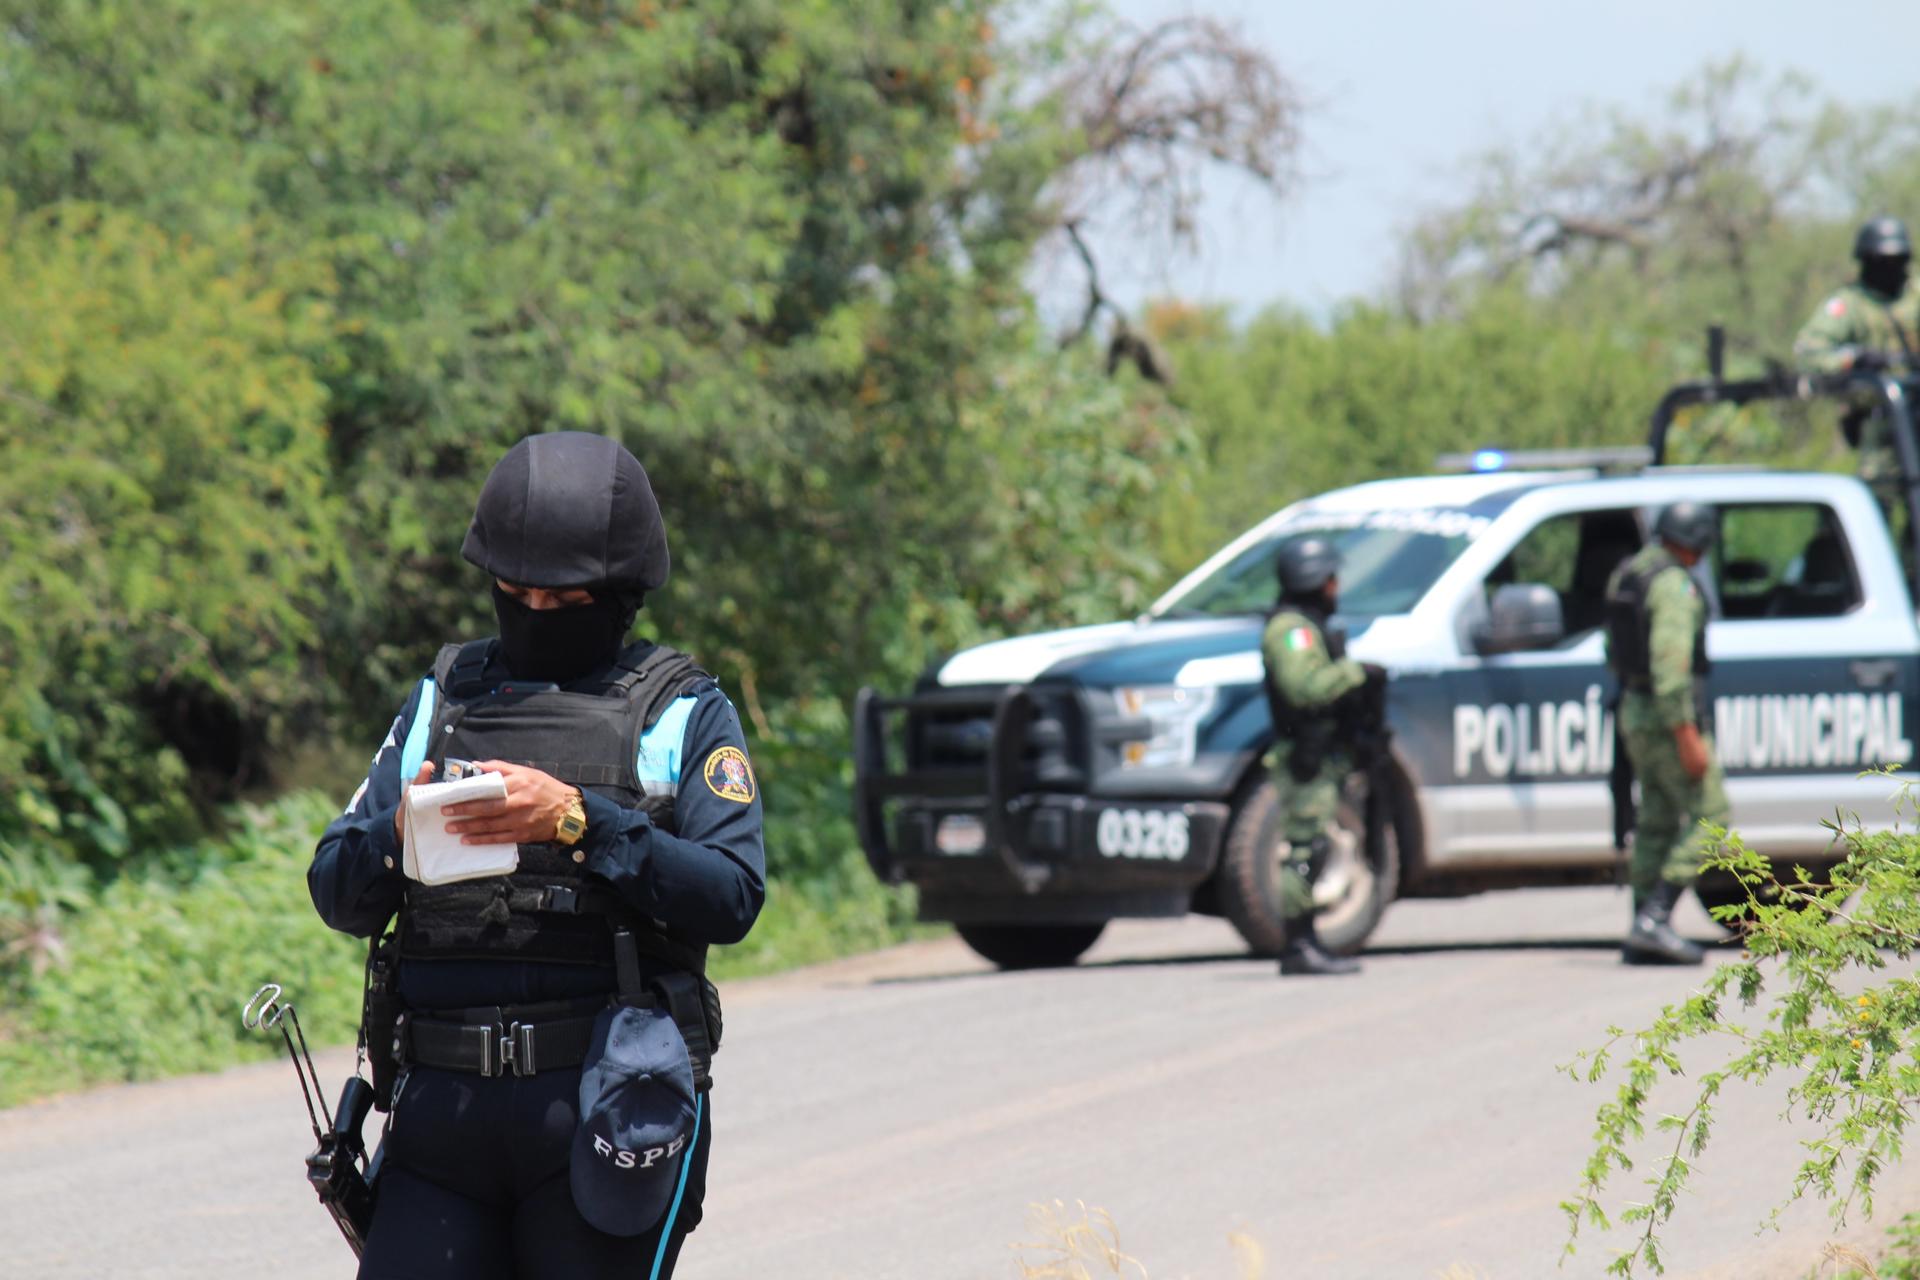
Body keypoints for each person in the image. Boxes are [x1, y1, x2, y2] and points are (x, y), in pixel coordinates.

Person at [308, 431, 765, 1279]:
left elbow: (732, 896)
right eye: (514, 595)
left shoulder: (682, 713)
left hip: (604, 1106)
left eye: (565, 602)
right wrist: (399, 833)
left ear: (620, 595)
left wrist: (581, 823)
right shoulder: (441, 701)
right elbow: (336, 888)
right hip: (439, 1124)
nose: (535, 617)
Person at [1603, 503, 1726, 966]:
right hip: (1665, 718)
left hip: (1634, 712)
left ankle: (1642, 927)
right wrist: (1686, 734)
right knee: (1711, 816)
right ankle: (1655, 919)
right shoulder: (1673, 584)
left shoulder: (1630, 573)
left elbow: (1613, 647)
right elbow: (1671, 667)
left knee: (1655, 818)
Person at [1261, 536, 1385, 977]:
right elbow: (1304, 688)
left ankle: (1307, 940)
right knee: (1304, 847)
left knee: (1314, 845)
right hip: (1305, 756)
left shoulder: (1307, 625)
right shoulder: (1292, 630)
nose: (1336, 586)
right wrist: (1354, 673)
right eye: (1331, 577)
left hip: (1321, 753)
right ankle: (1298, 944)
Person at [1794, 217, 1920, 491]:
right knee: (1877, 492)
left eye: (1896, 260)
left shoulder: (1915, 295)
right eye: (1882, 261)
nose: (1890, 269)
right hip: (1879, 418)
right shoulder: (1850, 303)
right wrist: (1853, 360)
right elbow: (1809, 352)